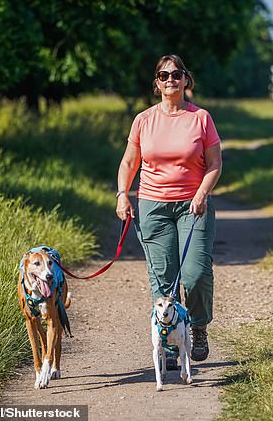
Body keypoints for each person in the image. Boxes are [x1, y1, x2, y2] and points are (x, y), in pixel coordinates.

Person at [115, 55, 222, 368]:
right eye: (164, 75)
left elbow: (215, 164)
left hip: (194, 204)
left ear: (186, 80)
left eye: (177, 74)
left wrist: (202, 193)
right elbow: (128, 162)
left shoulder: (201, 118)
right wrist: (123, 195)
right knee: (163, 280)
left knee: (195, 273)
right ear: (156, 83)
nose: (170, 80)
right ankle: (170, 344)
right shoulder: (143, 120)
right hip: (153, 206)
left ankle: (198, 326)